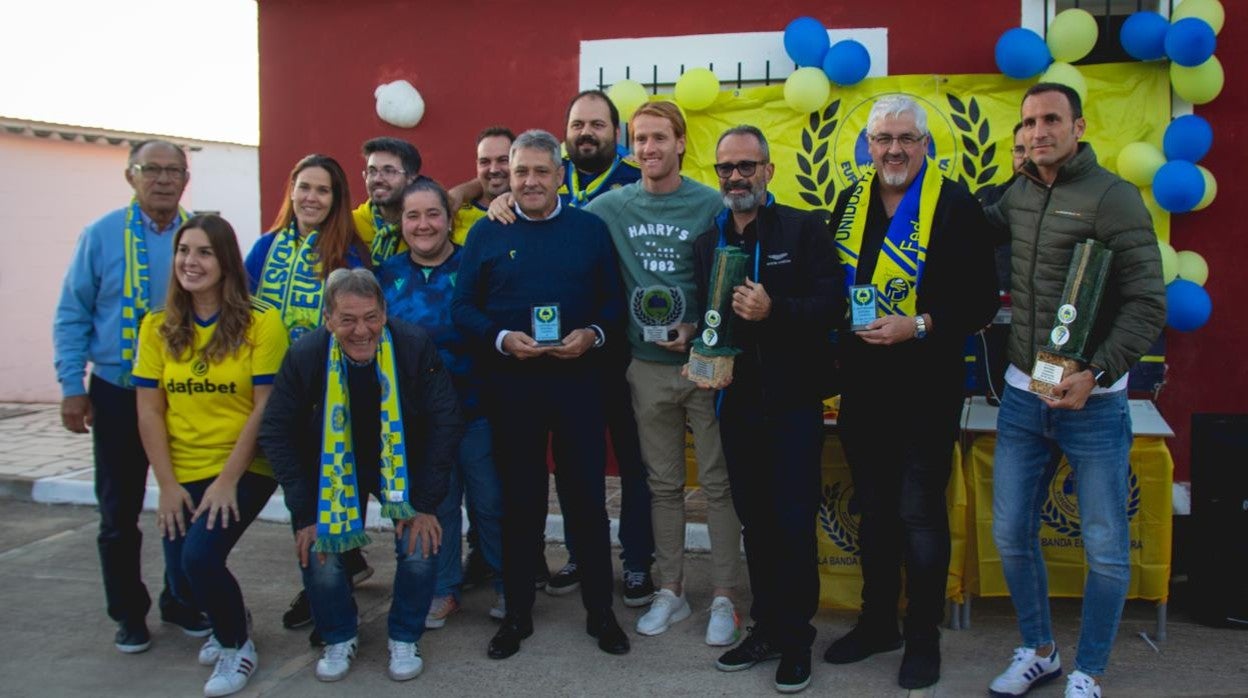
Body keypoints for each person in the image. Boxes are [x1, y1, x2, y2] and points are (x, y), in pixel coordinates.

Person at [984, 83, 1166, 698]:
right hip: (1022, 396)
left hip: (1092, 402)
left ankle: (1089, 670)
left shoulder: (1114, 198)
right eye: (1030, 122)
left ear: (1079, 126)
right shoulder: (1017, 194)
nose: (1039, 131)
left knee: (1107, 548)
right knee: (1010, 533)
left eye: (1052, 120)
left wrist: (1099, 374)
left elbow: (1146, 303)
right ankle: (1039, 650)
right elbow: (963, 233)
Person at [821, 96, 998, 690]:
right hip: (864, 387)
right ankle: (878, 624)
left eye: (905, 138)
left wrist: (917, 324)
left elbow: (979, 301)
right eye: (882, 139)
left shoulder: (954, 205)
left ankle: (923, 637)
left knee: (919, 515)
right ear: (867, 147)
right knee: (873, 512)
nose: (893, 150)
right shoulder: (850, 202)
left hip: (927, 387)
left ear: (925, 144)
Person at [452, 129, 630, 659]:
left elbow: (614, 306)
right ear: (508, 175)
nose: (530, 181)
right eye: (520, 172)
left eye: (540, 172)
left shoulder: (590, 230)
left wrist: (591, 336)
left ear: (559, 175)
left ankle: (601, 612)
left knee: (586, 503)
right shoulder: (487, 232)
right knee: (520, 504)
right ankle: (517, 617)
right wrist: (503, 339)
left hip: (578, 384)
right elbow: (462, 309)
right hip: (514, 387)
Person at [480, 89, 655, 605]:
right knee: (580, 473)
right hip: (558, 365)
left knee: (633, 462)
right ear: (564, 138)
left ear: (616, 134)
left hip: (624, 348)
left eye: (598, 125)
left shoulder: (632, 182)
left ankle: (638, 562)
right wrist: (494, 195)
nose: (587, 133)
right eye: (578, 124)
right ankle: (582, 555)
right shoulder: (542, 184)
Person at [584, 101, 742, 644]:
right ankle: (670, 590)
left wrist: (701, 325)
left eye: (658, 138)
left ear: (680, 143)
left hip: (705, 363)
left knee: (719, 486)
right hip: (646, 369)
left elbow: (741, 262)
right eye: (639, 139)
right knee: (662, 487)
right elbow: (553, 215)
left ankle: (724, 597)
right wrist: (503, 199)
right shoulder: (610, 206)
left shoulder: (709, 203)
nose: (648, 148)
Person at [260, 269, 464, 683]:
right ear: (328, 319)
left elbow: (445, 419)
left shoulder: (412, 345)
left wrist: (423, 504)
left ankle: (405, 634)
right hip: (333, 465)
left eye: (371, 317)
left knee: (420, 542)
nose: (361, 330)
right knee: (319, 549)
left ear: (385, 312)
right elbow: (275, 430)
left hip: (400, 460)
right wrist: (305, 512)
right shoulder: (305, 354)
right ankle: (339, 634)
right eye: (347, 319)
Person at [697, 126, 843, 694]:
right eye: (726, 168)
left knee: (791, 524)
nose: (736, 177)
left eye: (747, 166)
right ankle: (766, 629)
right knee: (755, 524)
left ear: (768, 170)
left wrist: (773, 309)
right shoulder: (705, 239)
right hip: (734, 407)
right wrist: (694, 337)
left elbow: (830, 304)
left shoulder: (804, 229)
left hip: (792, 407)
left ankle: (797, 640)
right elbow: (708, 317)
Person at [53, 139, 210, 653]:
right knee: (118, 511)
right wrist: (72, 387)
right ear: (131, 176)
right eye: (152, 170)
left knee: (183, 505)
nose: (163, 180)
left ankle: (182, 599)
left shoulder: (199, 239)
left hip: (182, 394)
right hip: (118, 392)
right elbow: (73, 313)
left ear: (186, 179)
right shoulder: (99, 236)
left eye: (173, 171)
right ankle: (128, 612)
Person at [133, 214, 288, 696]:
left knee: (201, 559)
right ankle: (231, 613)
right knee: (181, 582)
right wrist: (168, 485)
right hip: (182, 469)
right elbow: (150, 412)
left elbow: (263, 409)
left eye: (203, 252)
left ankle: (236, 645)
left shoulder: (262, 323)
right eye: (184, 251)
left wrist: (225, 482)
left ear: (225, 261)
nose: (190, 262)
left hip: (245, 467)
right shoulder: (157, 326)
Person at [245, 154, 374, 641]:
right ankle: (332, 581)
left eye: (323, 190)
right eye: (305, 187)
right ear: (292, 190)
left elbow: (364, 327)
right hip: (277, 396)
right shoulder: (264, 248)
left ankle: (330, 600)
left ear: (336, 199)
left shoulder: (349, 255)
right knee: (304, 501)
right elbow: (243, 310)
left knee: (337, 497)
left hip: (334, 397)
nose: (312, 198)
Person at [379, 179, 505, 628]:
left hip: (477, 411)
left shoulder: (475, 266)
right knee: (439, 505)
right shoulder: (386, 275)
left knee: (491, 502)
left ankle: (508, 583)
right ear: (402, 223)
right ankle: (444, 587)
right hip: (419, 421)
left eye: (433, 214)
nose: (423, 224)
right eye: (413, 216)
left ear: (449, 219)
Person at [352, 137, 422, 266]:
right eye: (372, 171)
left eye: (389, 171)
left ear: (411, 177)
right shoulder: (350, 224)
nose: (378, 179)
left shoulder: (426, 226)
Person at [451, 127, 514, 246]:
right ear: (477, 165)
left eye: (503, 160)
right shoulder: (455, 211)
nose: (494, 169)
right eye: (485, 162)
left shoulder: (534, 207)